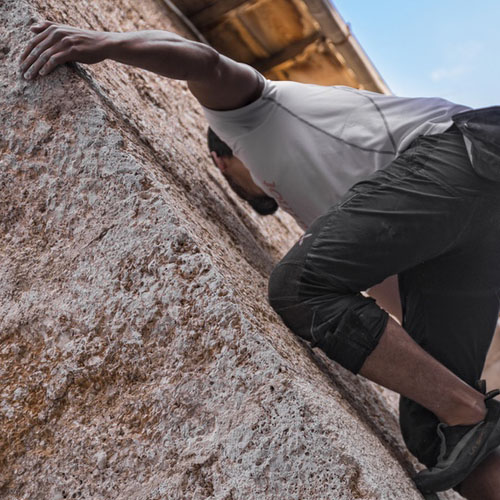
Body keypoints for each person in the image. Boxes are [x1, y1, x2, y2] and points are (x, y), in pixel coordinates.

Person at [19, 20, 500, 497]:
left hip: (468, 149)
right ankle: (470, 419)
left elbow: (205, 62)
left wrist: (107, 43)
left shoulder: (249, 120)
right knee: (432, 430)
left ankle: (470, 413)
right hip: (471, 231)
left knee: (297, 286)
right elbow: (399, 306)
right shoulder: (335, 215)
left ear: (221, 160)